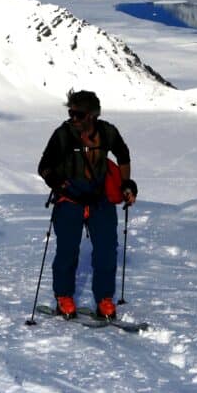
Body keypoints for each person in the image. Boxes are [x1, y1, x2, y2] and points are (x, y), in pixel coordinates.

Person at [37, 90, 137, 320]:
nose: (73, 118)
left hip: (100, 200)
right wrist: (55, 181)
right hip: (69, 200)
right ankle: (63, 297)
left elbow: (123, 154)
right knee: (67, 251)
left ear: (92, 115)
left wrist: (126, 184)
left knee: (106, 252)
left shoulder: (108, 132)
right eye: (71, 113)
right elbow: (44, 166)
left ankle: (104, 300)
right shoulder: (63, 135)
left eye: (78, 114)